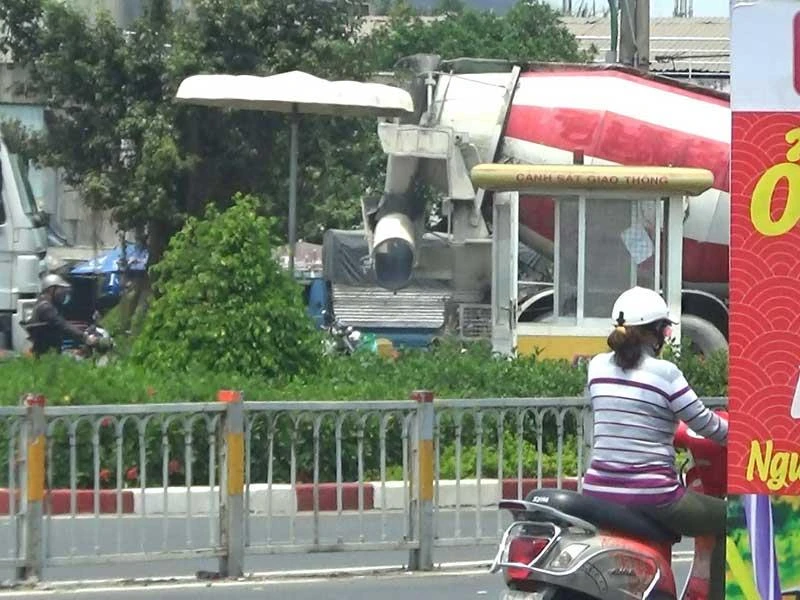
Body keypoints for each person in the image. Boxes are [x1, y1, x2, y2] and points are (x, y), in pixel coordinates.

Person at [583, 286, 727, 600]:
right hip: (654, 496)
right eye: (666, 330)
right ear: (657, 333)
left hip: (596, 492)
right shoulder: (665, 373)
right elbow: (706, 424)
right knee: (734, 518)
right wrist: (746, 434)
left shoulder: (596, 366)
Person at [25, 274, 97, 358]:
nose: (63, 294)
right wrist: (85, 337)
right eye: (61, 290)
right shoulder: (45, 307)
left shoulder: (45, 304)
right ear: (51, 290)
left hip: (49, 351)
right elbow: (62, 324)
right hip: (48, 354)